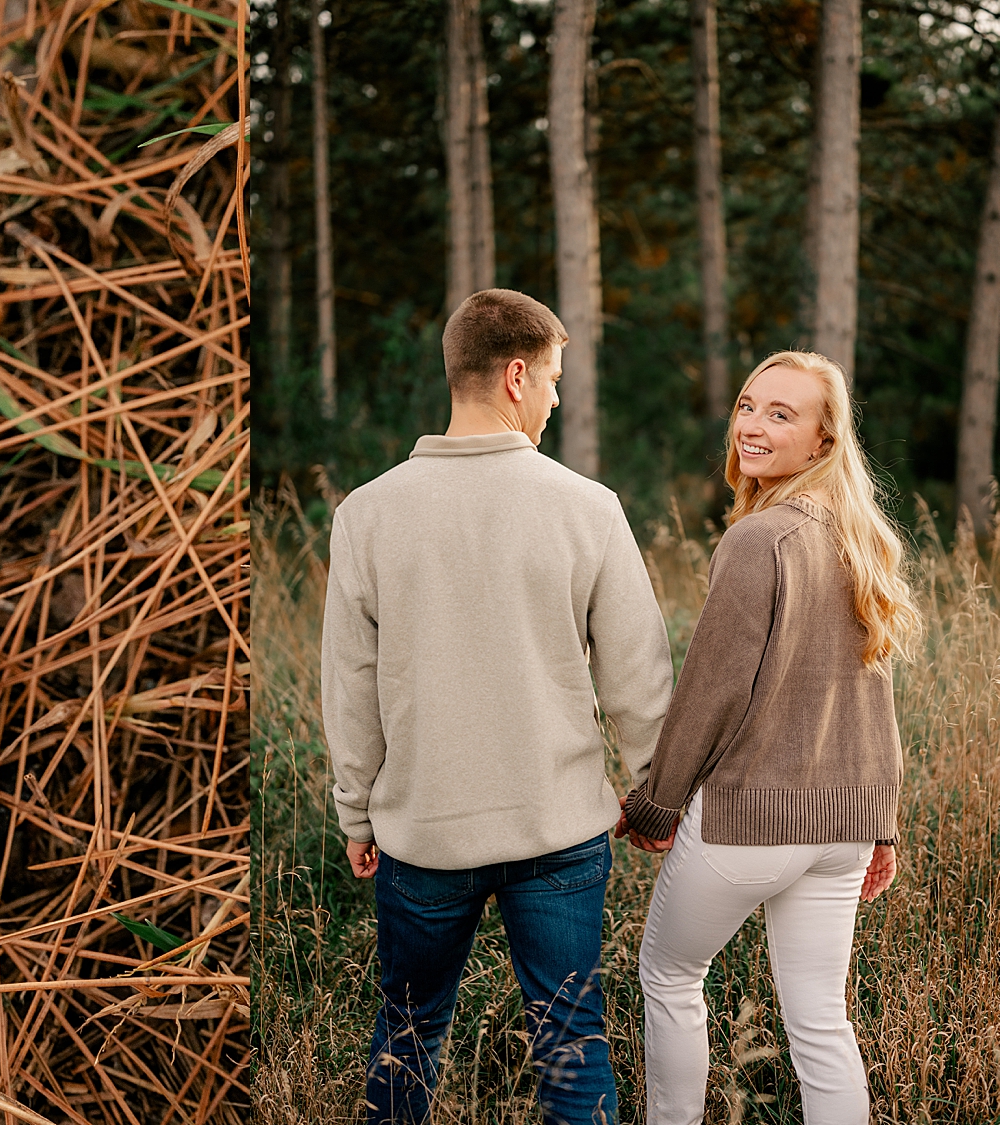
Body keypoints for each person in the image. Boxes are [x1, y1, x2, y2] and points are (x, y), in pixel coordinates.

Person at [322, 288, 675, 1125]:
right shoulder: (588, 507)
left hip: (424, 833)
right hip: (559, 833)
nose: (555, 397)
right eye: (552, 378)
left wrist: (356, 811)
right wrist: (653, 791)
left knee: (407, 1035)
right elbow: (639, 678)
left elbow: (351, 684)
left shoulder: (366, 513)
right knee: (570, 1041)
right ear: (516, 375)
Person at [621, 350, 920, 1125]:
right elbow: (875, 700)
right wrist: (879, 823)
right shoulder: (860, 539)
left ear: (824, 440)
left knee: (671, 973)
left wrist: (656, 805)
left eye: (781, 414)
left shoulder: (761, 540)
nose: (752, 425)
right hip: (841, 830)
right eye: (749, 406)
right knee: (821, 1021)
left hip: (750, 820)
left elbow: (711, 692)